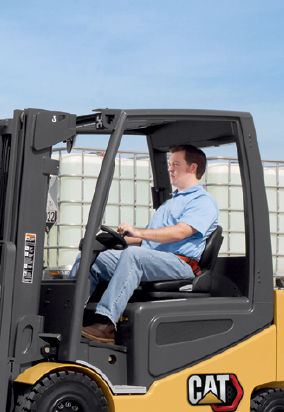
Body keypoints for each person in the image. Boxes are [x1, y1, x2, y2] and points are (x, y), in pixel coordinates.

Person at [80, 144, 219, 343]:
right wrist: (113, 240)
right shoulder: (170, 202)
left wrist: (139, 232)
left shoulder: (202, 201)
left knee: (133, 256)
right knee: (92, 257)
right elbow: (148, 237)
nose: (170, 168)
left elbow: (180, 232)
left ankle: (106, 324)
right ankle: (69, 314)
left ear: (192, 168)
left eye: (176, 164)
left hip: (179, 263)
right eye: (170, 164)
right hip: (152, 259)